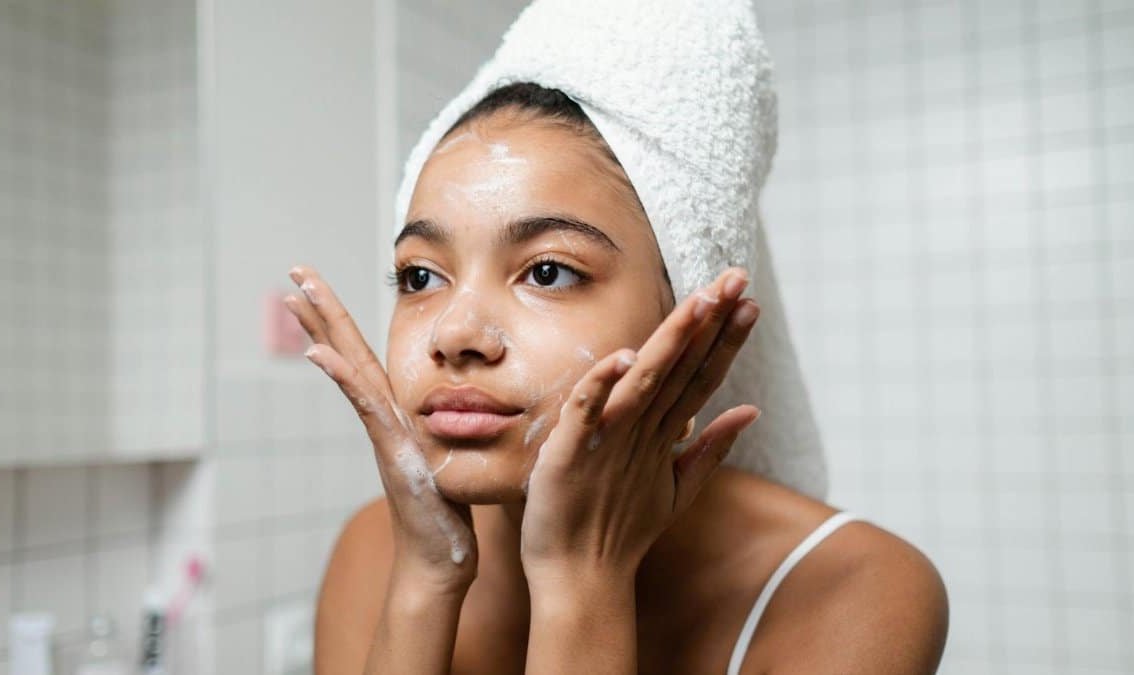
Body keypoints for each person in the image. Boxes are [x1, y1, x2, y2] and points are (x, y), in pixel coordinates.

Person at [284, 80, 948, 674]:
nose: (455, 334)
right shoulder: (378, 553)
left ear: (689, 318)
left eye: (547, 270)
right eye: (420, 275)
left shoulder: (854, 589)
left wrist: (582, 579)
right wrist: (425, 581)